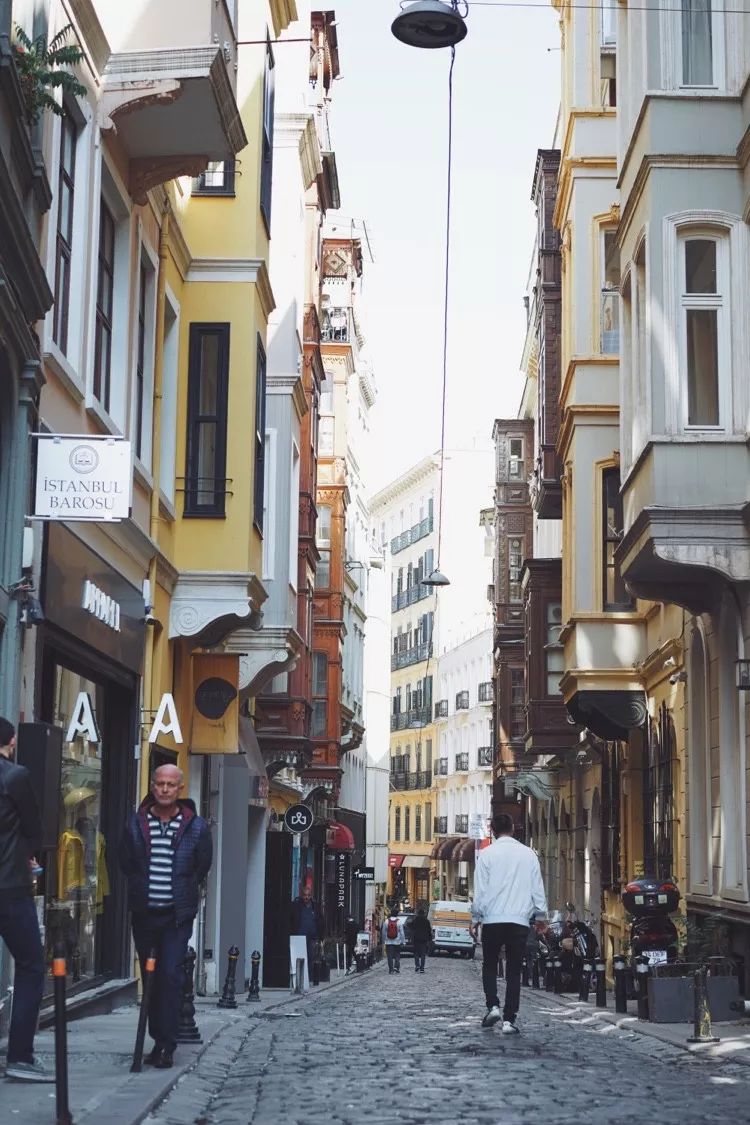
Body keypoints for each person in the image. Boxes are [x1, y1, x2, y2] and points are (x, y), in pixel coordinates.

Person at [119, 764, 212, 1069]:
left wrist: (183, 891)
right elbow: (126, 861)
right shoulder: (135, 823)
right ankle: (157, 1037)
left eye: (171, 784)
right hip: (145, 914)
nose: (165, 789)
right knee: (151, 979)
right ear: (152, 785)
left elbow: (202, 865)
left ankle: (167, 1045)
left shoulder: (195, 826)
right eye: (160, 784)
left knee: (171, 976)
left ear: (180, 789)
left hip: (176, 917)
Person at [0, 717, 52, 1082]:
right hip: (8, 887)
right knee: (32, 964)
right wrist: (27, 855)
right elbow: (34, 828)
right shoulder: (14, 776)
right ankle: (19, 1055)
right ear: (13, 741)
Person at [471, 812, 547, 1034]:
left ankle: (492, 1005)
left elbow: (481, 892)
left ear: (492, 831)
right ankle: (508, 1020)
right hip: (519, 921)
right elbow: (537, 888)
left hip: (493, 919)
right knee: (514, 970)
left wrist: (476, 919)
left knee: (489, 964)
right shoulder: (528, 855)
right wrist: (541, 917)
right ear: (513, 829)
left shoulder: (486, 855)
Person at [290, 884, 323, 976]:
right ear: (301, 895)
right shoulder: (296, 906)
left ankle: (308, 977)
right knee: (299, 957)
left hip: (312, 937)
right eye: (305, 895)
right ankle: (298, 978)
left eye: (308, 895)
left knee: (310, 957)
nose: (306, 897)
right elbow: (292, 920)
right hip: (299, 937)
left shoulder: (315, 906)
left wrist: (320, 937)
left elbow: (320, 921)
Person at [381, 908, 404, 974]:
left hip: (388, 942)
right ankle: (396, 967)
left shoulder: (386, 921)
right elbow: (402, 933)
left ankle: (391, 969)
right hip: (397, 941)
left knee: (390, 956)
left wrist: (383, 940)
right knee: (397, 955)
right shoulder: (399, 922)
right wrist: (403, 941)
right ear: (397, 914)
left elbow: (383, 932)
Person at [411, 907, 432, 973]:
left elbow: (411, 926)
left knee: (416, 953)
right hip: (424, 939)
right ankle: (422, 968)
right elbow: (429, 930)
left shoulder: (415, 920)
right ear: (424, 914)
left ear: (418, 913)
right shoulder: (427, 921)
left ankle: (417, 965)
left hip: (416, 939)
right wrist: (430, 939)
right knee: (423, 954)